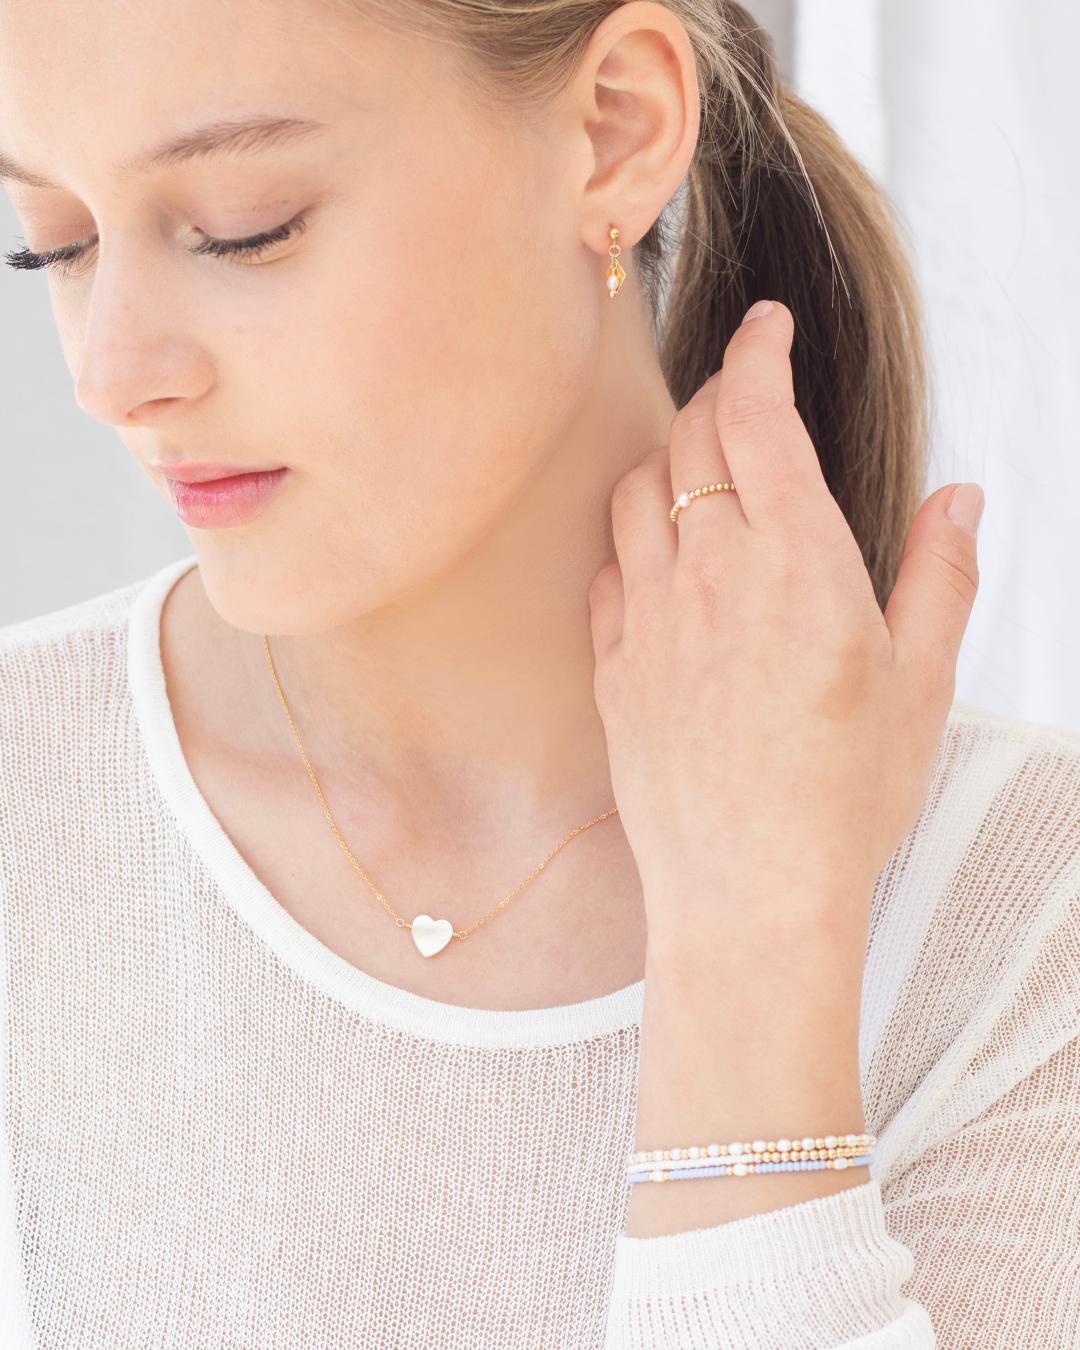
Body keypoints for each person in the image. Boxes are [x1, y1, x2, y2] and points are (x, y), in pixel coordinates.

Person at [0, 0, 1077, 1345]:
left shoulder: (1026, 910)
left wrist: (753, 954)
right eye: (55, 242)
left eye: (243, 223)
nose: (113, 373)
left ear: (617, 131)